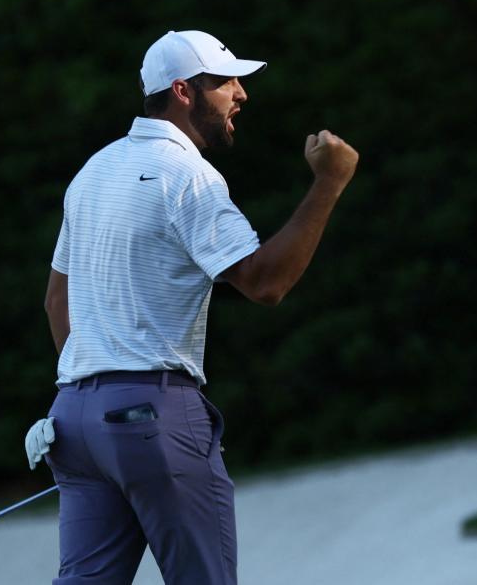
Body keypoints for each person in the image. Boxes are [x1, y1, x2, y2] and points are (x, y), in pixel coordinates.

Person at [25, 29, 358, 585]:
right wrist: (330, 182)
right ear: (183, 91)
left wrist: (88, 394)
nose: (240, 93)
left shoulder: (92, 172)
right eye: (226, 82)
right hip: (151, 418)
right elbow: (265, 283)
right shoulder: (188, 176)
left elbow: (56, 297)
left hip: (73, 421)